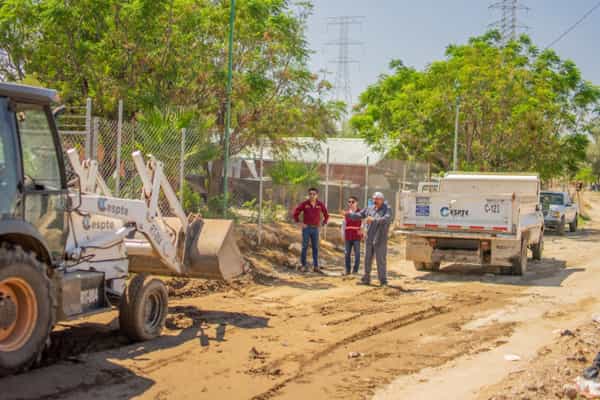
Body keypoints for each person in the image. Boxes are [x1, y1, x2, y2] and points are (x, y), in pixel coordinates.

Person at [345, 192, 393, 286]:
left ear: (382, 200)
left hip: (380, 238)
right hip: (369, 237)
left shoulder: (387, 209)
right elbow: (359, 215)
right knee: (367, 259)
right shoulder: (369, 208)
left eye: (377, 199)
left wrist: (374, 220)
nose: (375, 201)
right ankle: (366, 279)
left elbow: (387, 219)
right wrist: (348, 215)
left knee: (380, 260)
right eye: (374, 199)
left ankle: (383, 281)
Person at [292, 187, 329, 273]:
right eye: (310, 194)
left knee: (315, 248)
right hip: (306, 228)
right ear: (308, 195)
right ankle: (303, 265)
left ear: (317, 195)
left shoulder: (320, 204)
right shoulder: (305, 204)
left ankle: (316, 266)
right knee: (304, 247)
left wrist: (323, 224)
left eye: (314, 194)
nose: (312, 196)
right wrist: (299, 223)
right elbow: (295, 213)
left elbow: (326, 215)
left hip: (315, 229)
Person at [342, 196, 362, 275]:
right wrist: (343, 235)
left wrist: (363, 231)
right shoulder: (346, 213)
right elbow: (344, 225)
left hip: (356, 236)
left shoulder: (360, 212)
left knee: (357, 254)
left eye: (353, 202)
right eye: (349, 202)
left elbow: (363, 223)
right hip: (348, 236)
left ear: (356, 203)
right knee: (347, 254)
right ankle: (347, 270)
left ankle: (355, 270)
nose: (351, 203)